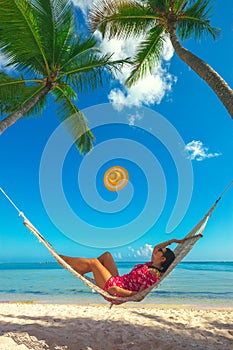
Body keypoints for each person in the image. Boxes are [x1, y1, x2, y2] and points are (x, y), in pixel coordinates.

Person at [59, 238, 186, 304]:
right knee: (107, 255)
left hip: (116, 291)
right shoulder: (151, 264)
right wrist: (173, 241)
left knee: (94, 262)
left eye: (160, 251)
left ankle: (63, 259)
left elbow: (139, 296)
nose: (157, 250)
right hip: (119, 281)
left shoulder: (153, 274)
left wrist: (118, 291)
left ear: (162, 259)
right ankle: (82, 269)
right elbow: (157, 246)